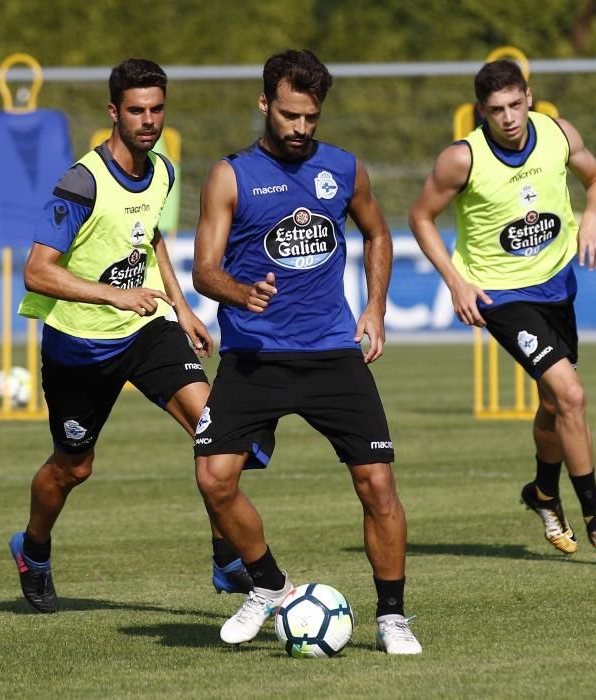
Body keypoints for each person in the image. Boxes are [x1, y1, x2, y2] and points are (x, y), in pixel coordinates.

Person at [192, 49, 422, 654]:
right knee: (215, 480)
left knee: (377, 485)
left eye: (311, 118)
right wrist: (241, 293)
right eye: (290, 115)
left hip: (330, 354)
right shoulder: (230, 175)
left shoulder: (344, 169)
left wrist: (374, 308)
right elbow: (203, 270)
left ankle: (392, 617)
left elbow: (377, 232)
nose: (300, 128)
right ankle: (268, 585)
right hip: (254, 357)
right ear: (265, 103)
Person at [9, 58, 252, 614]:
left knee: (216, 432)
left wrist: (181, 306)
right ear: (114, 112)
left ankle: (226, 558)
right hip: (80, 345)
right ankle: (34, 549)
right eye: (136, 111)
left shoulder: (162, 170)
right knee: (74, 466)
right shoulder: (81, 182)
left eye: (156, 109)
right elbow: (37, 271)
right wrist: (114, 294)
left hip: (148, 328)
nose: (148, 120)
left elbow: (152, 236)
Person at [408, 59, 596, 563]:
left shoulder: (557, 133)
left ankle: (542, 492)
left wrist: (593, 217)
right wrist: (456, 281)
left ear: (528, 97)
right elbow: (421, 216)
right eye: (496, 110)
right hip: (500, 296)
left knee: (554, 404)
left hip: (558, 286)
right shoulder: (461, 159)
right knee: (572, 395)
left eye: (515, 104)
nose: (508, 117)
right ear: (481, 112)